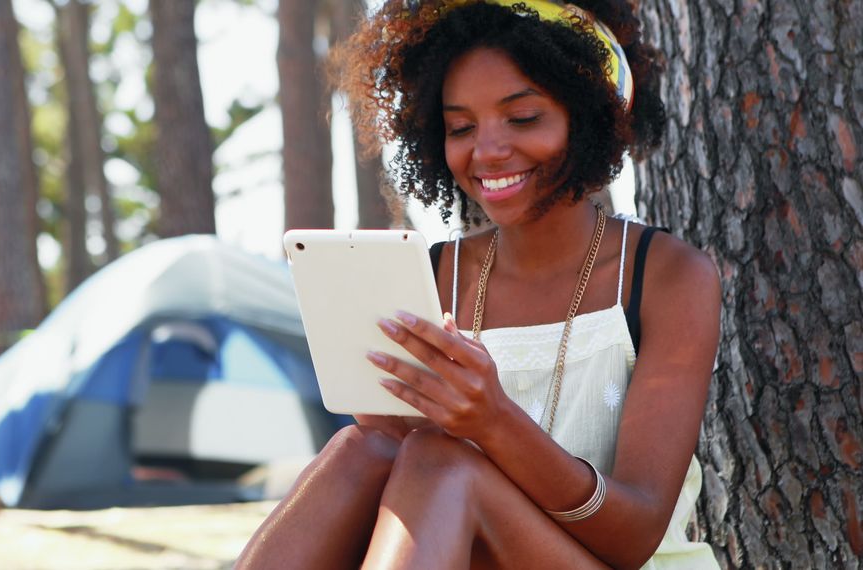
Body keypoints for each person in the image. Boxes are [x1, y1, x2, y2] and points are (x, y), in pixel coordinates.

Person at [237, 1, 721, 568]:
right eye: (461, 127)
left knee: (444, 466)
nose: (487, 151)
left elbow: (634, 538)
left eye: (522, 119)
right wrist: (393, 421)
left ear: (586, 115)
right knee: (362, 450)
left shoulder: (666, 275)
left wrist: (493, 423)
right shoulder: (432, 274)